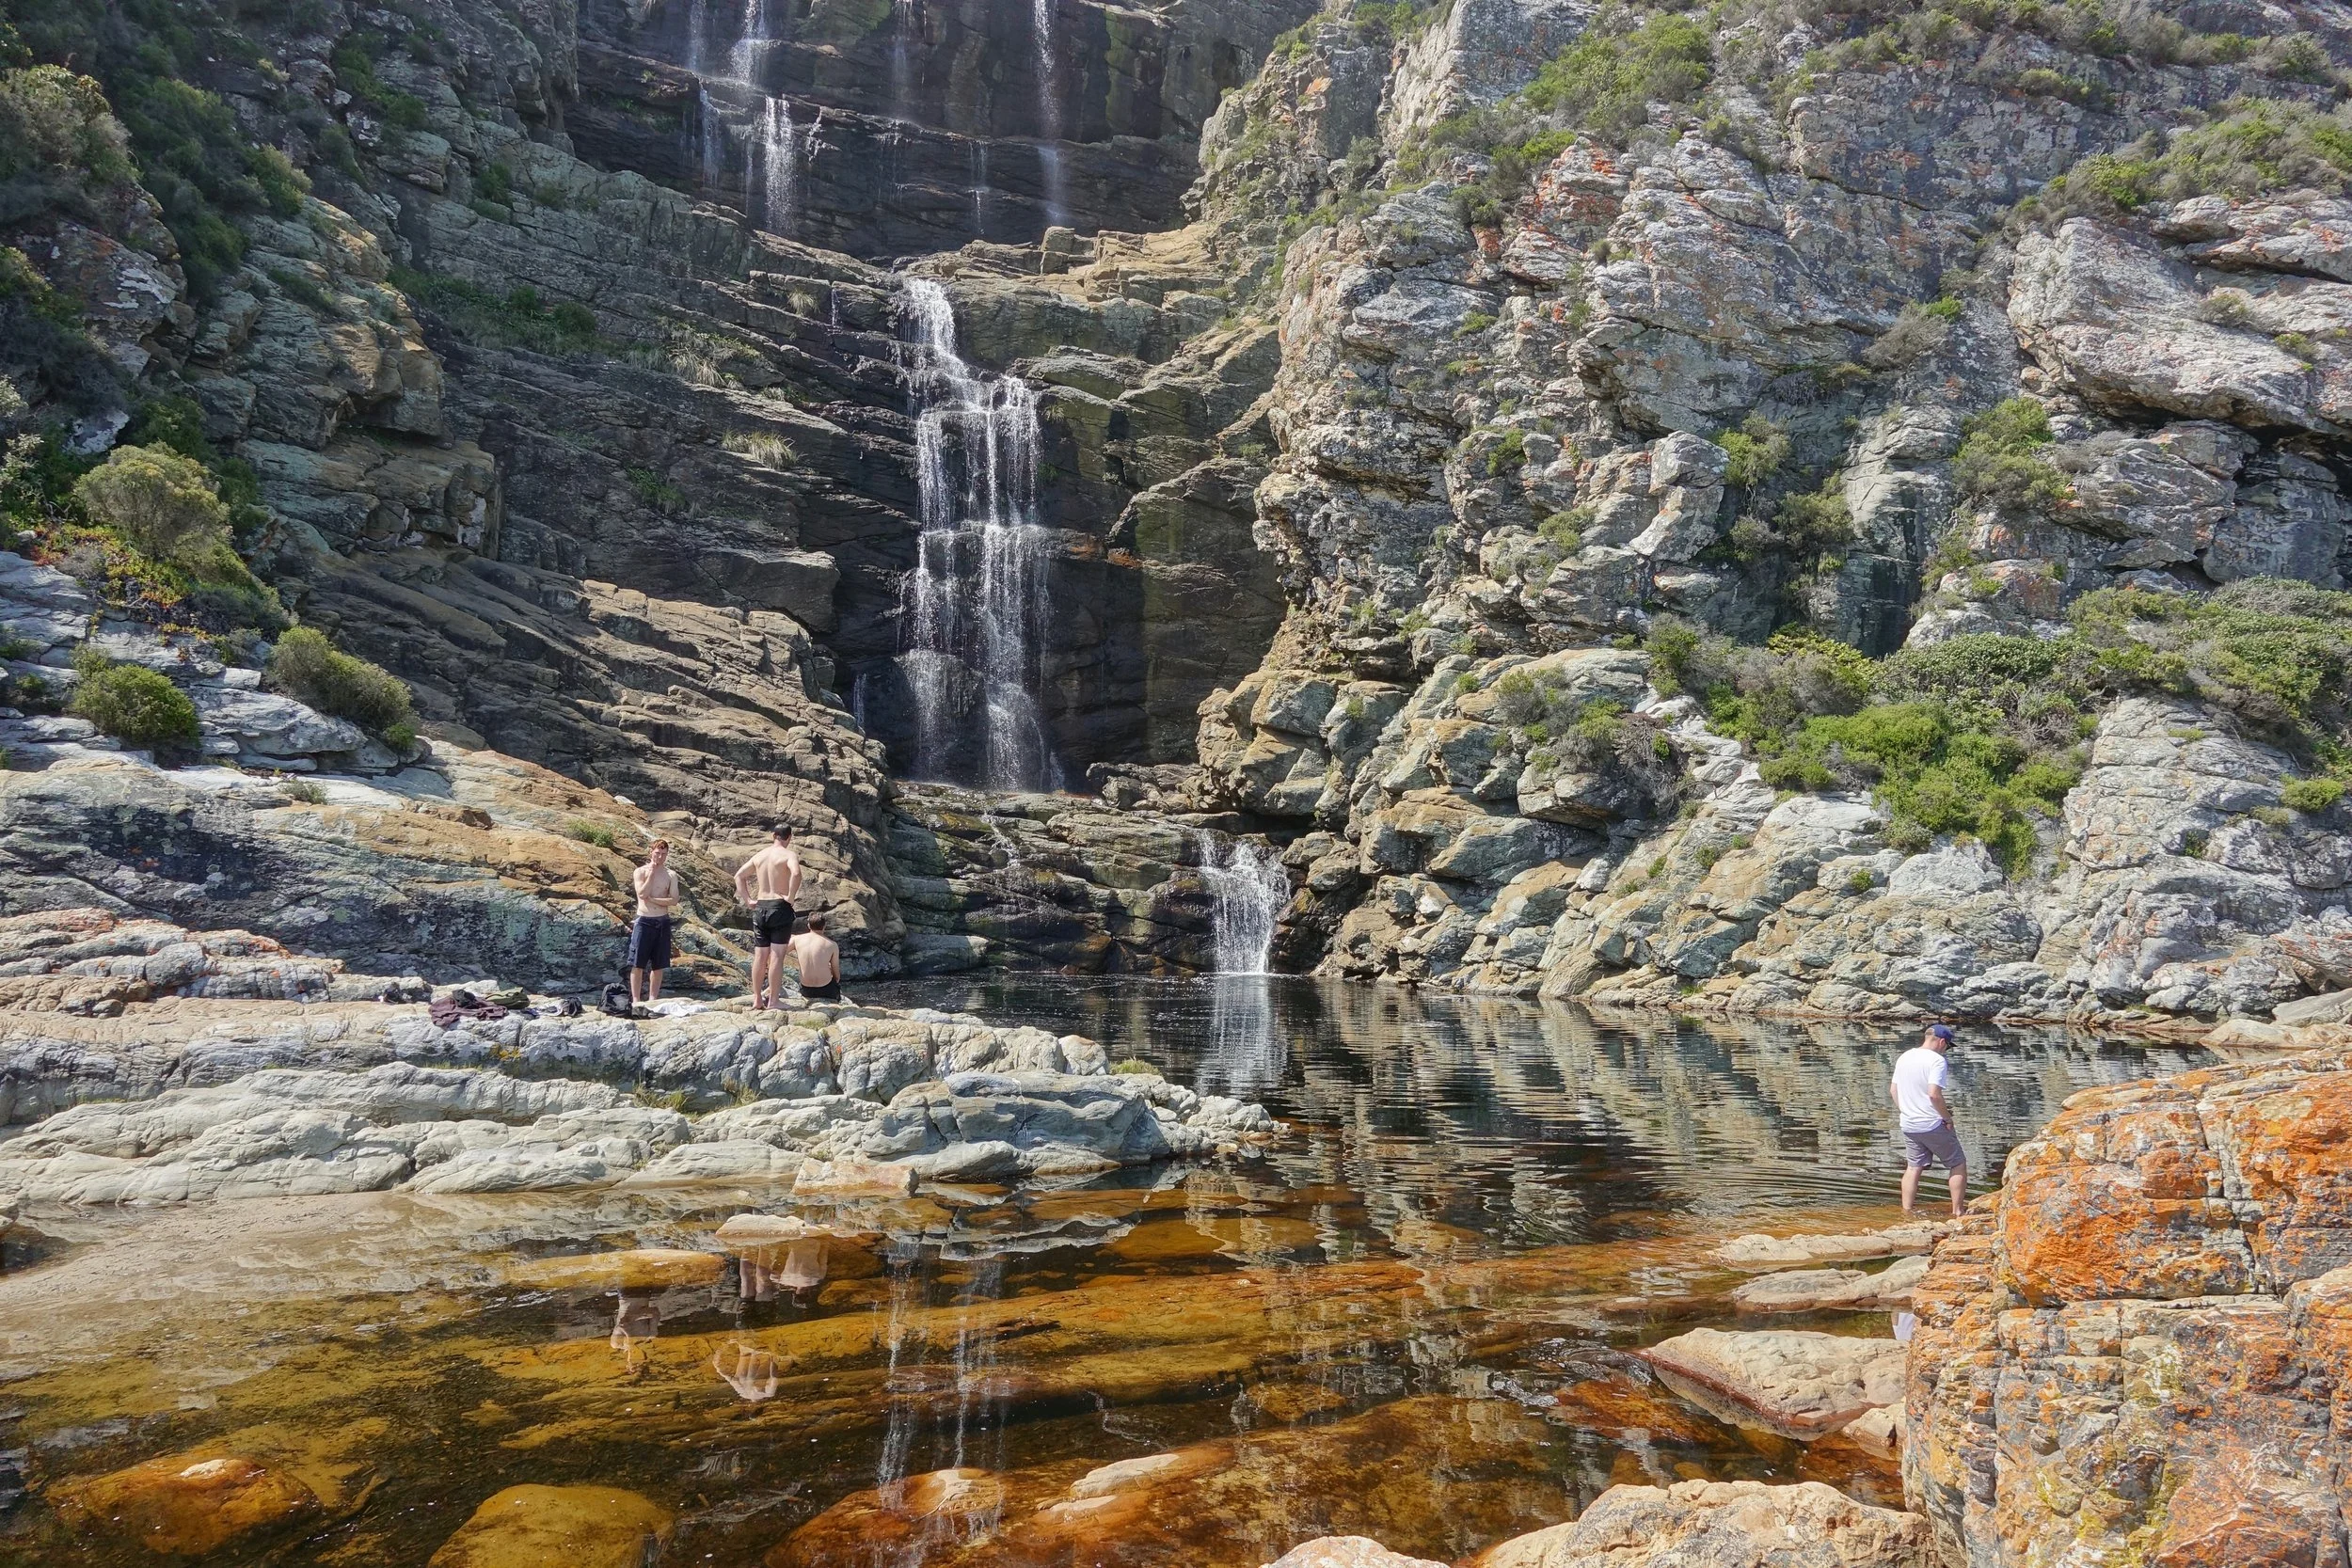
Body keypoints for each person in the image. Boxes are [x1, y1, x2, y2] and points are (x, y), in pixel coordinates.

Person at [1891, 1022, 1967, 1217]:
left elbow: (1893, 1090)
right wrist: (1947, 1118)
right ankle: (1958, 1212)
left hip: (1908, 1123)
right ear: (1942, 1042)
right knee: (1957, 1163)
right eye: (1948, 1047)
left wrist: (1907, 1111)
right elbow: (1934, 1095)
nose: (1946, 1051)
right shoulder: (1936, 1060)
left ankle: (1906, 1211)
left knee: (1913, 1167)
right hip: (1932, 1123)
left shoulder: (1905, 1056)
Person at [733, 825, 803, 1010]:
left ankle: (756, 999)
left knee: (760, 956)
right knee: (777, 956)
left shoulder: (760, 855)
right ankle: (773, 1001)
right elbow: (796, 873)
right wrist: (791, 897)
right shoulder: (789, 855)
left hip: (761, 907)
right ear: (789, 837)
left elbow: (739, 876)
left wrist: (748, 900)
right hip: (779, 907)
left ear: (773, 835)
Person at [627, 839, 680, 1006]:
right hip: (644, 921)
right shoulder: (640, 872)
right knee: (638, 963)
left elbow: (674, 900)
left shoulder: (670, 875)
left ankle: (653, 999)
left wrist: (654, 900)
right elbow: (642, 894)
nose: (660, 857)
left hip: (662, 921)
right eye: (657, 853)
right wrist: (651, 873)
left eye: (664, 854)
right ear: (651, 852)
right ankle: (635, 1000)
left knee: (659, 964)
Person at [787, 914, 843, 1004]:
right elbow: (836, 973)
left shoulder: (796, 940)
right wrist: (836, 983)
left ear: (808, 925)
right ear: (824, 926)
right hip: (826, 988)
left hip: (806, 989)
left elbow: (778, 954)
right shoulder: (832, 945)